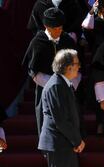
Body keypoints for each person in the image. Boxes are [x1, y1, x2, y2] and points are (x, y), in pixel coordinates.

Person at [23, 7, 79, 135]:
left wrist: (70, 84)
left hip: (67, 89)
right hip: (45, 89)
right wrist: (53, 86)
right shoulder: (38, 42)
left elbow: (77, 67)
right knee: (47, 124)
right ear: (46, 27)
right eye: (55, 29)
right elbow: (34, 71)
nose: (59, 31)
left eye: (60, 28)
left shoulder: (67, 40)